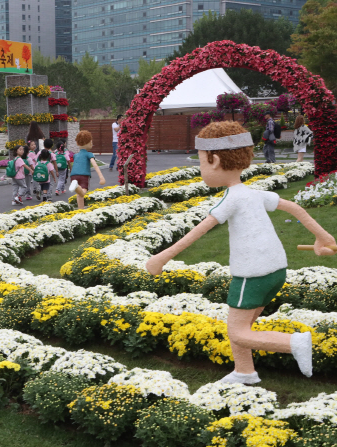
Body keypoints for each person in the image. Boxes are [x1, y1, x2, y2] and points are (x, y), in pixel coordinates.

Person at [146, 120, 336, 384]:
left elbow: (197, 232)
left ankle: (294, 343)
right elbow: (294, 208)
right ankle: (244, 371)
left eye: (201, 162)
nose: (201, 168)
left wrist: (161, 257)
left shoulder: (232, 198)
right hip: (276, 270)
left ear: (213, 160)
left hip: (252, 274)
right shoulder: (253, 193)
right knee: (242, 323)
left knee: (236, 331)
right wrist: (323, 236)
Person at [68, 130, 106, 209]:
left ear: (77, 143)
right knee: (83, 192)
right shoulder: (89, 154)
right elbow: (95, 165)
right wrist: (101, 177)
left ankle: (80, 209)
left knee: (79, 194)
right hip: (84, 175)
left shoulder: (75, 155)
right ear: (90, 143)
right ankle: (76, 186)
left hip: (73, 175)